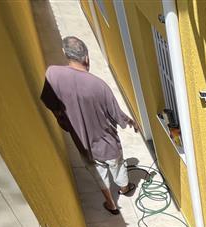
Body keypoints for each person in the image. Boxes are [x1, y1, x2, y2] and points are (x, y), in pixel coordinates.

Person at [41, 36, 138, 214]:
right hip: (107, 144)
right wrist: (130, 121)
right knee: (117, 166)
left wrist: (63, 121)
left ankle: (111, 204)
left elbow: (50, 102)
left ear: (64, 53)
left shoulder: (52, 74)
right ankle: (124, 189)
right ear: (86, 57)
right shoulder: (99, 86)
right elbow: (116, 114)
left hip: (83, 144)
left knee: (98, 172)